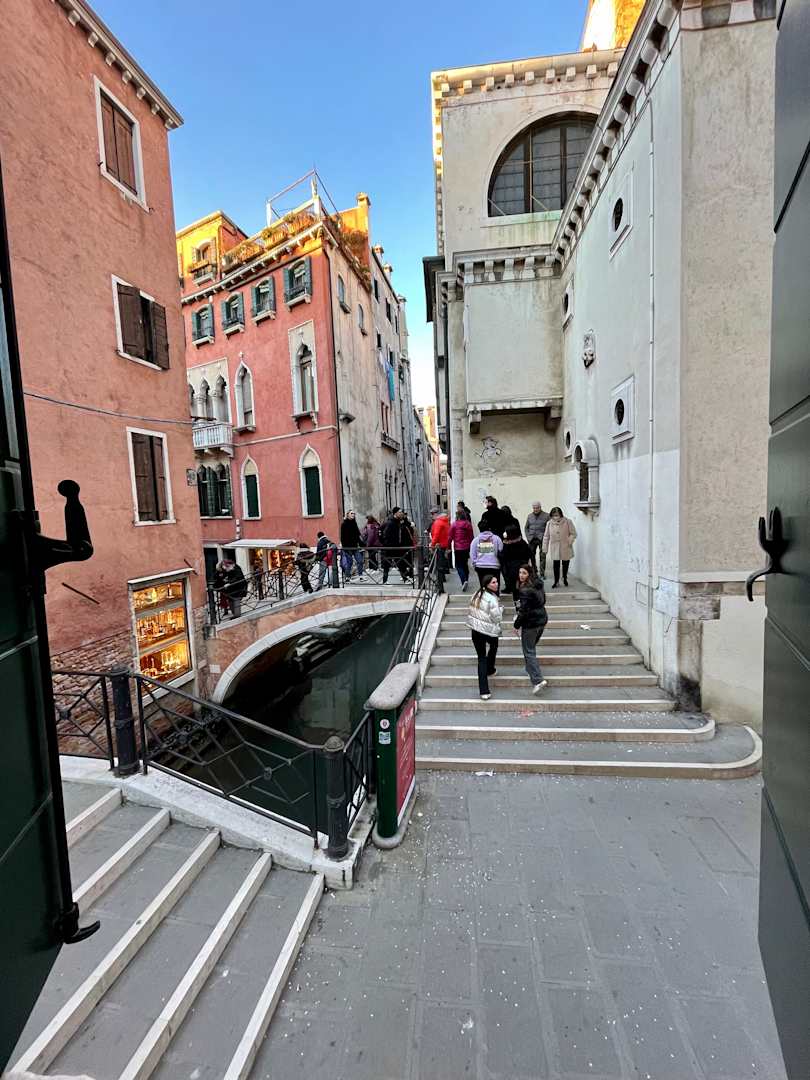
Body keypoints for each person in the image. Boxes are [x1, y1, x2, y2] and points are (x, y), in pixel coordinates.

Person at [513, 564, 549, 694]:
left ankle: (538, 680)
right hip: (541, 620)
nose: (521, 575)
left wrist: (516, 625)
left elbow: (524, 611)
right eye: (520, 572)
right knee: (531, 648)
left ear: (529, 574)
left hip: (531, 624)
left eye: (524, 573)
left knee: (529, 651)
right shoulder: (538, 584)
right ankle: (530, 669)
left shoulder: (525, 590)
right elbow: (543, 601)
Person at [466, 572, 502, 700]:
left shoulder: (476, 595)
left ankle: (484, 691)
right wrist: (501, 610)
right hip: (488, 631)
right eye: (493, 582)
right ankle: (490, 669)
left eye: (497, 582)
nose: (496, 584)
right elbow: (497, 618)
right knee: (493, 647)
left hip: (475, 631)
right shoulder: (492, 599)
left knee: (481, 658)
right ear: (487, 584)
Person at [542, 506, 577, 588]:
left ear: (561, 514)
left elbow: (573, 533)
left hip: (565, 546)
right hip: (554, 547)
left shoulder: (568, 522)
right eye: (554, 515)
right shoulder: (549, 523)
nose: (556, 517)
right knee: (556, 564)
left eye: (557, 515)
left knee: (565, 563)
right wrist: (545, 548)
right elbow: (546, 536)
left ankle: (564, 577)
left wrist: (569, 541)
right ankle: (556, 581)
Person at [500, 524, 532, 599]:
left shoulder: (507, 544)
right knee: (521, 586)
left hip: (511, 569)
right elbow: (529, 554)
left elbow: (503, 556)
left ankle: (517, 600)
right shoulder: (522, 542)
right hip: (522, 568)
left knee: (515, 588)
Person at [470, 519, 503, 589]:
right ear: (489, 528)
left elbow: (472, 555)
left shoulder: (475, 540)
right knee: (495, 587)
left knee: (484, 587)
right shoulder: (497, 539)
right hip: (495, 566)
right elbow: (501, 551)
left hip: (480, 567)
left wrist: (475, 564)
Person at [449, 509, 474, 590]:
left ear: (457, 516)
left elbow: (450, 537)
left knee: (458, 565)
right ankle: (466, 579)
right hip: (466, 548)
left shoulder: (454, 524)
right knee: (465, 564)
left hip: (458, 548)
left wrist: (448, 547)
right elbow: (471, 536)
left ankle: (464, 580)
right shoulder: (468, 524)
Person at [525, 502, 550, 578]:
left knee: (542, 556)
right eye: (534, 508)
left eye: (537, 508)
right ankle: (534, 572)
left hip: (542, 539)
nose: (535, 509)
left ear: (540, 507)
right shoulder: (529, 516)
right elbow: (526, 528)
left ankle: (542, 573)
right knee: (531, 556)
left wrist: (546, 537)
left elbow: (549, 527)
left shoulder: (546, 516)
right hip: (532, 539)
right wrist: (528, 537)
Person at [340, 510, 364, 579]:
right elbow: (342, 537)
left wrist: (362, 544)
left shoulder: (354, 523)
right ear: (348, 515)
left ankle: (361, 576)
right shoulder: (344, 524)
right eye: (351, 513)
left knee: (360, 561)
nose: (353, 514)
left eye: (354, 513)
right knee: (349, 562)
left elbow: (357, 535)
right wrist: (344, 547)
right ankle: (347, 577)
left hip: (355, 546)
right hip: (347, 547)